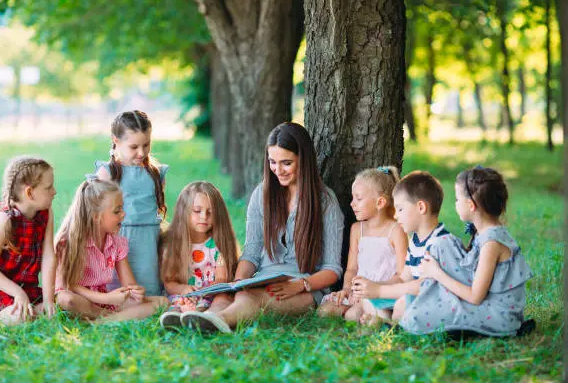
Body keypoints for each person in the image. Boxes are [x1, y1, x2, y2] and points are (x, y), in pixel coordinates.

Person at [180, 122, 343, 333]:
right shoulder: (262, 194)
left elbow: (332, 269)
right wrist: (238, 282)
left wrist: (300, 285)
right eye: (273, 162)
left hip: (304, 290)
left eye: (286, 163)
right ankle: (205, 318)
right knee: (230, 294)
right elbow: (252, 252)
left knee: (251, 299)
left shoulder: (326, 202)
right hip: (262, 281)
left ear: (304, 159)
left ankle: (215, 321)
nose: (278, 170)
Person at [400, 166, 533, 336]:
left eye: (457, 199)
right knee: (442, 244)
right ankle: (427, 302)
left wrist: (436, 273)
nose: (455, 203)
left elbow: (475, 297)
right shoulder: (485, 232)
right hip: (484, 302)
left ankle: (418, 314)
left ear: (470, 205)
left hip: (498, 316)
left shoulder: (491, 243)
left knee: (422, 317)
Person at [351, 171, 463, 326]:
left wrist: (380, 291)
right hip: (418, 299)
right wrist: (373, 287)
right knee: (369, 300)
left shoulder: (439, 243)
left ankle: (388, 326)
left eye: (401, 209)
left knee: (402, 303)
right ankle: (384, 321)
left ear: (421, 207)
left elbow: (423, 286)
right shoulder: (416, 242)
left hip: (440, 303)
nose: (396, 216)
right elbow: (403, 278)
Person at [54, 177, 167, 322]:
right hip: (80, 301)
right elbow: (68, 286)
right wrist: (106, 298)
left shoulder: (117, 243)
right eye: (117, 211)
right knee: (67, 299)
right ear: (96, 217)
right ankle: (111, 319)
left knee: (162, 302)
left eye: (122, 208)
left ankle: (102, 321)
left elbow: (129, 285)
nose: (123, 214)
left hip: (105, 302)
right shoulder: (69, 243)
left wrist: (135, 292)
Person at [0, 156, 57, 324]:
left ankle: (35, 310)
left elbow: (49, 257)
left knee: (64, 301)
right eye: (49, 187)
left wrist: (49, 302)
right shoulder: (5, 220)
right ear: (30, 193)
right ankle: (2, 319)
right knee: (20, 318)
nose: (54, 191)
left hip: (25, 287)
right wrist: (17, 293)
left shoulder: (46, 214)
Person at [317, 166, 407, 324]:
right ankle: (365, 316)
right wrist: (346, 289)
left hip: (382, 293)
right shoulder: (357, 229)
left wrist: (374, 287)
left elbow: (402, 276)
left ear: (380, 202)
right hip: (357, 294)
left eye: (358, 199)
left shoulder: (396, 230)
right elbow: (352, 269)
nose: (352, 204)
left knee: (353, 315)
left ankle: (372, 315)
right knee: (324, 311)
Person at [95, 110, 168, 296]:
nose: (141, 152)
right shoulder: (108, 173)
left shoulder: (155, 174)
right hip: (118, 237)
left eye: (146, 145)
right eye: (134, 147)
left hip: (148, 241)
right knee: (119, 290)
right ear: (116, 141)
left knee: (147, 291)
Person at [159, 181, 239, 328]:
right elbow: (169, 282)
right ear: (184, 212)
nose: (204, 216)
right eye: (197, 211)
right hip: (183, 295)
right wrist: (184, 290)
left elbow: (222, 278)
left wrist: (205, 291)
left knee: (221, 299)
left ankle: (202, 316)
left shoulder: (217, 246)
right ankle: (179, 315)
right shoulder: (173, 246)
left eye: (210, 212)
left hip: (210, 295)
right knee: (178, 302)